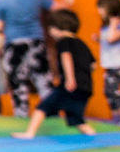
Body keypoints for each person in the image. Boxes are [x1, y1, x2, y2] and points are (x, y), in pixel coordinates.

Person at [0, 0, 72, 118]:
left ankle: (21, 115)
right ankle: (51, 112)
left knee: (17, 82)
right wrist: (67, 1)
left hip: (14, 44)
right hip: (36, 43)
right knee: (43, 80)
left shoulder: (0, 1)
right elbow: (58, 7)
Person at [16, 9, 97, 139]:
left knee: (42, 107)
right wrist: (83, 77)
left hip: (69, 85)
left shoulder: (64, 41)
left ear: (56, 28)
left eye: (50, 28)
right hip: (85, 87)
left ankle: (29, 133)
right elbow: (93, 64)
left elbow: (66, 57)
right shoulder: (82, 44)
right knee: (76, 118)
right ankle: (93, 135)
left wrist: (70, 78)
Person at [95, 0, 120, 124]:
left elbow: (112, 38)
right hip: (110, 64)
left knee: (113, 90)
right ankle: (117, 118)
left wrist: (113, 24)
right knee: (107, 91)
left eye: (101, 8)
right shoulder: (105, 27)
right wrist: (98, 38)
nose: (99, 11)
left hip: (119, 64)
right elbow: (107, 40)